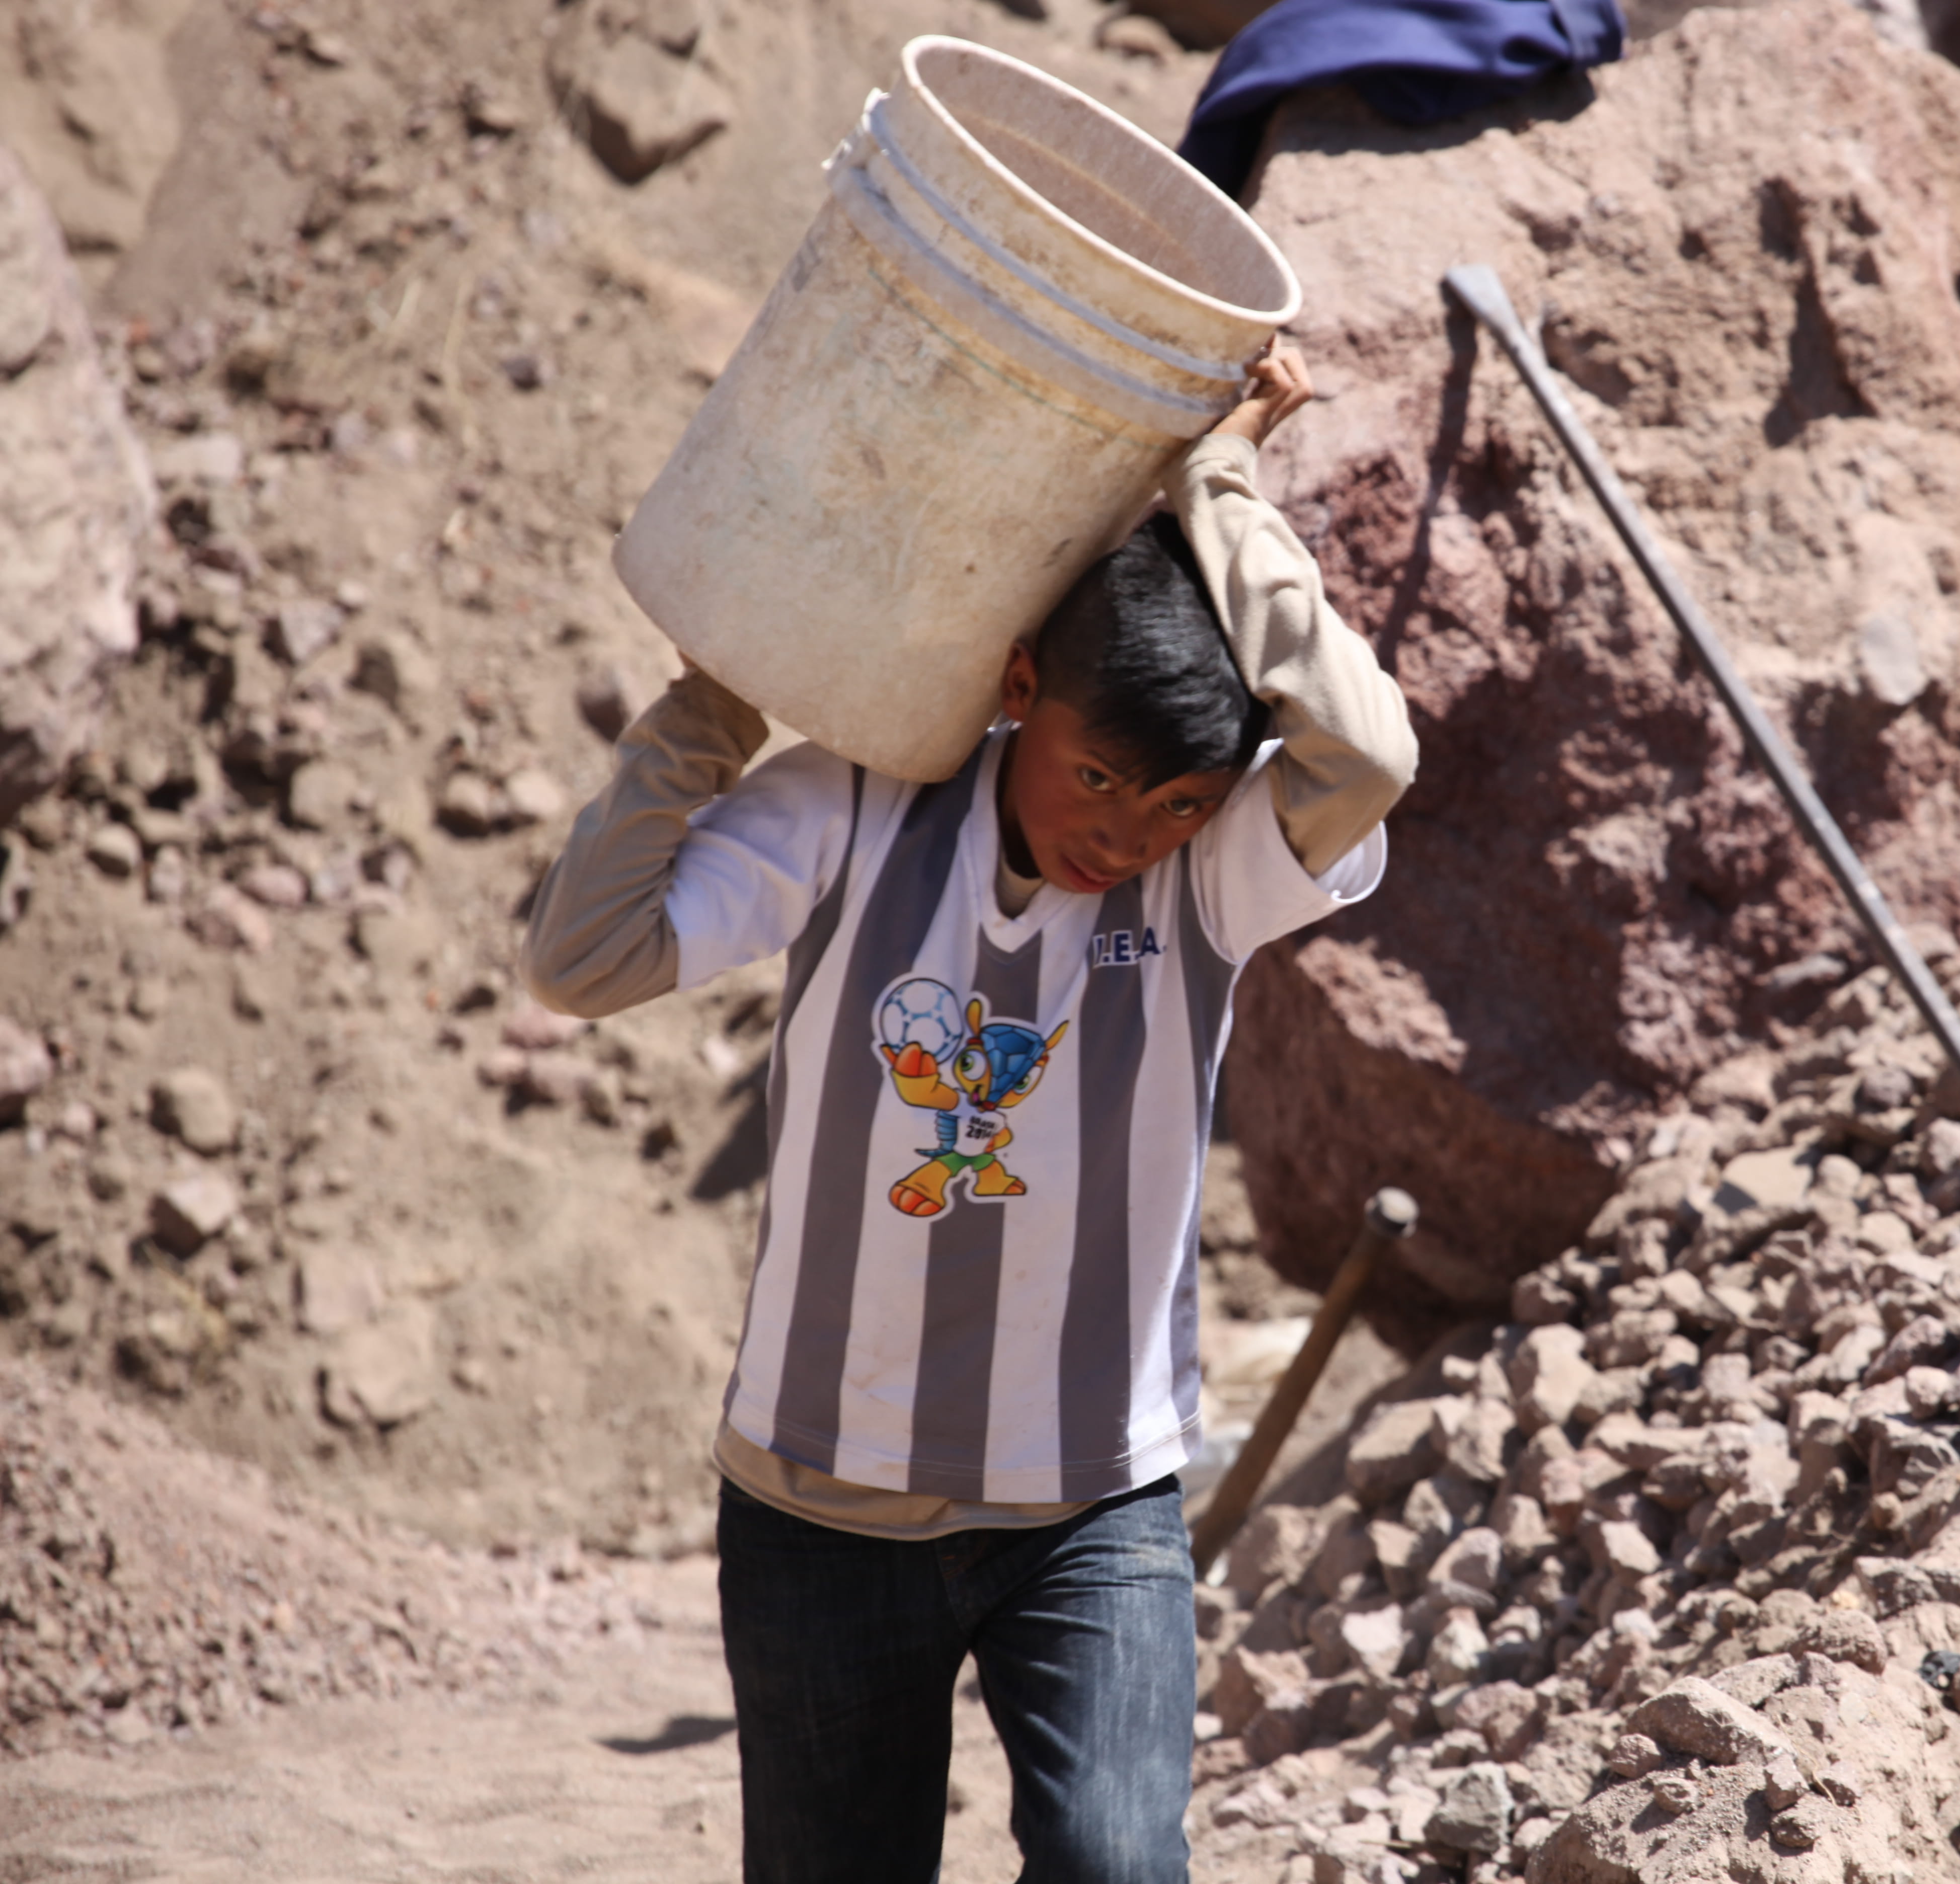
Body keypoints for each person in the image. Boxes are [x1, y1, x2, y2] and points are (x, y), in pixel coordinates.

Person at [521, 344, 1414, 1884]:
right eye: (1101, 778)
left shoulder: (1211, 879)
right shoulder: (857, 812)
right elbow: (581, 959)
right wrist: (724, 695)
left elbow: (1371, 752)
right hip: (819, 1505)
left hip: (1089, 1503)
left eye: (1177, 803)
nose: (1124, 836)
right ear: (1019, 693)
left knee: (1122, 1867)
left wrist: (1217, 482)